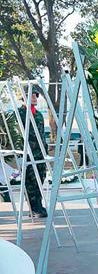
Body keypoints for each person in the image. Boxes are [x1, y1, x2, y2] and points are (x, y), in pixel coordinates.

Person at [13, 90, 48, 218]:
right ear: (23, 97)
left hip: (40, 152)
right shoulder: (20, 113)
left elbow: (42, 133)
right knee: (30, 180)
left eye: (35, 96)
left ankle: (38, 204)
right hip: (28, 153)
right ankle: (33, 207)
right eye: (31, 96)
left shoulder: (38, 114)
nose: (35, 98)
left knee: (40, 177)